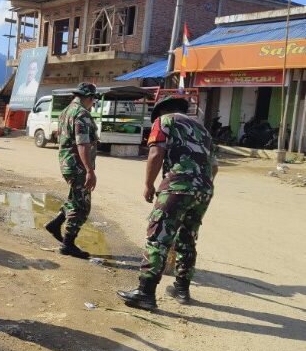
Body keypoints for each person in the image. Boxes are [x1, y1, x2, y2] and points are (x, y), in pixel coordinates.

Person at [118, 96, 217, 310]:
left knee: (158, 238)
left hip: (177, 187)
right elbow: (214, 167)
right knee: (187, 238)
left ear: (161, 111)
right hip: (204, 190)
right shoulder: (203, 130)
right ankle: (182, 289)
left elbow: (155, 154)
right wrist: (197, 186)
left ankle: (145, 293)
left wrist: (148, 184)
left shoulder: (164, 121)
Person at [44, 82, 98, 259]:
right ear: (89, 98)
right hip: (78, 165)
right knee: (82, 205)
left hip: (68, 163)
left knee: (74, 198)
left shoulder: (66, 111)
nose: (93, 103)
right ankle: (68, 244)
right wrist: (89, 170)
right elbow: (82, 143)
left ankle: (56, 223)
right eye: (93, 100)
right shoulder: (81, 113)